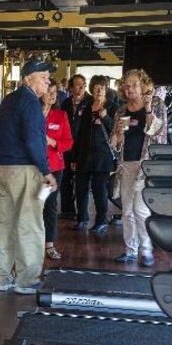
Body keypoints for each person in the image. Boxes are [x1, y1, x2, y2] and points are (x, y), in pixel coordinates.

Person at [0, 59, 58, 294]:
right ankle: (26, 280)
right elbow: (33, 140)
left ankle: (3, 277)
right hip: (23, 169)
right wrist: (45, 170)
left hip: (1, 168)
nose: (48, 81)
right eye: (43, 77)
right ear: (29, 79)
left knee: (5, 225)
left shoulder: (9, 100)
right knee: (29, 224)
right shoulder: (30, 103)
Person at [109, 69, 168, 267]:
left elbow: (159, 134)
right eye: (126, 85)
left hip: (147, 166)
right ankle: (130, 250)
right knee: (127, 211)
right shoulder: (122, 111)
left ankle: (146, 249)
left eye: (134, 84)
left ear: (143, 85)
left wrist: (149, 109)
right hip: (127, 164)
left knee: (140, 210)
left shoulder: (157, 105)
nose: (129, 88)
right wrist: (117, 134)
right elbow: (115, 144)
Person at [72, 75, 119, 234]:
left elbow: (117, 130)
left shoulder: (113, 107)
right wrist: (74, 156)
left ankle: (101, 221)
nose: (99, 91)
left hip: (102, 155)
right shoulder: (86, 107)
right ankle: (81, 218)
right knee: (80, 188)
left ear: (106, 89)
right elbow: (80, 133)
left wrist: (105, 117)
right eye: (96, 88)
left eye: (102, 88)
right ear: (92, 89)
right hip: (84, 154)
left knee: (100, 190)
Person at [40, 79, 73, 261]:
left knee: (47, 204)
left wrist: (53, 142)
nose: (53, 95)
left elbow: (69, 142)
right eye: (49, 91)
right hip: (31, 168)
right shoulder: (33, 114)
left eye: (55, 91)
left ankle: (49, 244)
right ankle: (31, 242)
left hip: (52, 169)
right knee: (32, 205)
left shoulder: (60, 115)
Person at [60, 74, 92, 220]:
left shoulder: (90, 102)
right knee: (65, 178)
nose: (81, 88)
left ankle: (82, 215)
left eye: (83, 85)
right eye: (77, 85)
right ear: (71, 88)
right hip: (66, 145)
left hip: (83, 145)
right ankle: (67, 210)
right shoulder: (66, 103)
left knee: (81, 181)